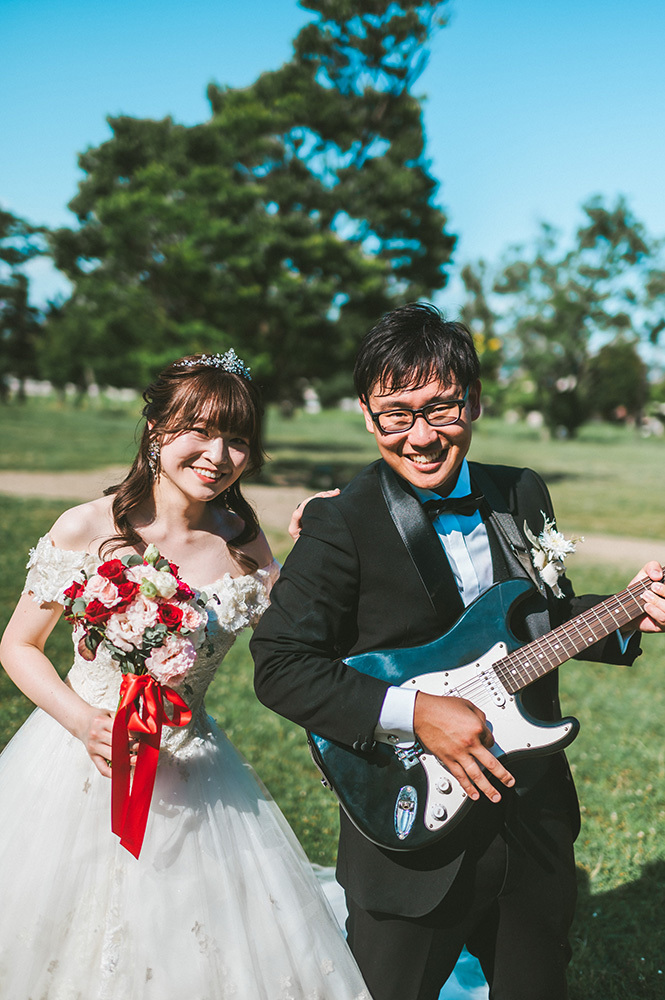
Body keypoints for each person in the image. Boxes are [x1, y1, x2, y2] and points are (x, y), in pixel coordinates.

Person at [251, 303, 665, 1000]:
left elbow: (530, 622)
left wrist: (627, 612)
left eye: (441, 409)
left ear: (472, 401)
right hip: (411, 835)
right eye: (396, 412)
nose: (419, 436)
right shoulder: (340, 521)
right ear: (365, 413)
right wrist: (415, 714)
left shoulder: (520, 490)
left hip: (530, 817)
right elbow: (281, 665)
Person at [0, 351, 370, 999]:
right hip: (74, 756)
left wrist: (321, 537)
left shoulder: (241, 540)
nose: (216, 454)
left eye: (236, 440)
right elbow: (20, 647)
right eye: (197, 430)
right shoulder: (88, 527)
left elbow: (304, 645)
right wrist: (85, 721)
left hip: (190, 764)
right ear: (155, 431)